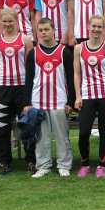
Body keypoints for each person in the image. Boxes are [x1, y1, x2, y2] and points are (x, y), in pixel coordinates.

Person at [23, 17, 75, 177]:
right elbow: (28, 79)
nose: (44, 32)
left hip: (59, 100)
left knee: (62, 136)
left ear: (53, 31)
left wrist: (70, 101)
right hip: (38, 101)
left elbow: (71, 78)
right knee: (41, 137)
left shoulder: (64, 52)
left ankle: (64, 165)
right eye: (40, 30)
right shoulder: (33, 53)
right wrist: (27, 103)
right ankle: (43, 165)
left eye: (46, 29)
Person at [0, 8, 35, 174]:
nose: (7, 24)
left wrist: (30, 91)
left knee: (27, 126)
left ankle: (31, 160)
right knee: (2, 128)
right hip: (2, 89)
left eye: (10, 21)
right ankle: (4, 162)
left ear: (17, 21)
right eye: (4, 21)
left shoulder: (26, 40)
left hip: (22, 89)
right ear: (0, 22)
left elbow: (31, 68)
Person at [74, 15, 105, 178]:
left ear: (103, 29)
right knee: (84, 132)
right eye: (94, 26)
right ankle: (85, 164)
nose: (96, 29)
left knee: (104, 131)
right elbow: (77, 74)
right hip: (86, 96)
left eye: (99, 27)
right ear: (88, 27)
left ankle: (101, 166)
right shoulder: (79, 48)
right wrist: (78, 96)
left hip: (104, 94)